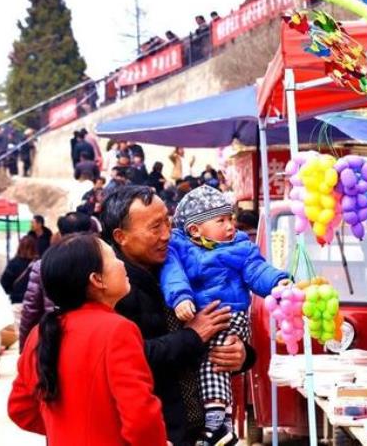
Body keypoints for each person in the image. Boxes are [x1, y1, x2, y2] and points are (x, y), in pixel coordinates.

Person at [101, 186, 254, 445]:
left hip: (201, 431)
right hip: (157, 434)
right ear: (121, 236)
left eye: (168, 224)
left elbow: (219, 325)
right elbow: (129, 357)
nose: (167, 235)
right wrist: (193, 336)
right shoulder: (112, 290)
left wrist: (241, 355)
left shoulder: (186, 263)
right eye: (155, 227)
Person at [8, 234, 168, 444]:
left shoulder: (39, 333)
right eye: (114, 258)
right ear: (97, 279)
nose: (122, 263)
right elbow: (141, 416)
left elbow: (20, 408)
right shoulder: (117, 330)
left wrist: (66, 429)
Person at [161, 186, 290, 445]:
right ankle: (221, 422)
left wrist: (277, 283)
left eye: (230, 218)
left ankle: (216, 423)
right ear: (195, 230)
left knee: (214, 361)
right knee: (211, 365)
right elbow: (172, 275)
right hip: (202, 318)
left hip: (231, 316)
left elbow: (257, 270)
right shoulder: (178, 248)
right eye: (220, 221)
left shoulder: (241, 247)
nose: (230, 226)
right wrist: (181, 298)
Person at [19, 212, 94, 350]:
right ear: (90, 231)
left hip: (55, 338)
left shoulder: (43, 265)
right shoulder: (102, 262)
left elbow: (30, 310)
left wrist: (24, 346)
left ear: (60, 233)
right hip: (95, 337)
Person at [0, 236, 39, 328]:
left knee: (19, 333)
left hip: (17, 302)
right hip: (35, 303)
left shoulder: (13, 263)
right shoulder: (39, 263)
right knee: (34, 332)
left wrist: (13, 292)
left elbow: (4, 283)